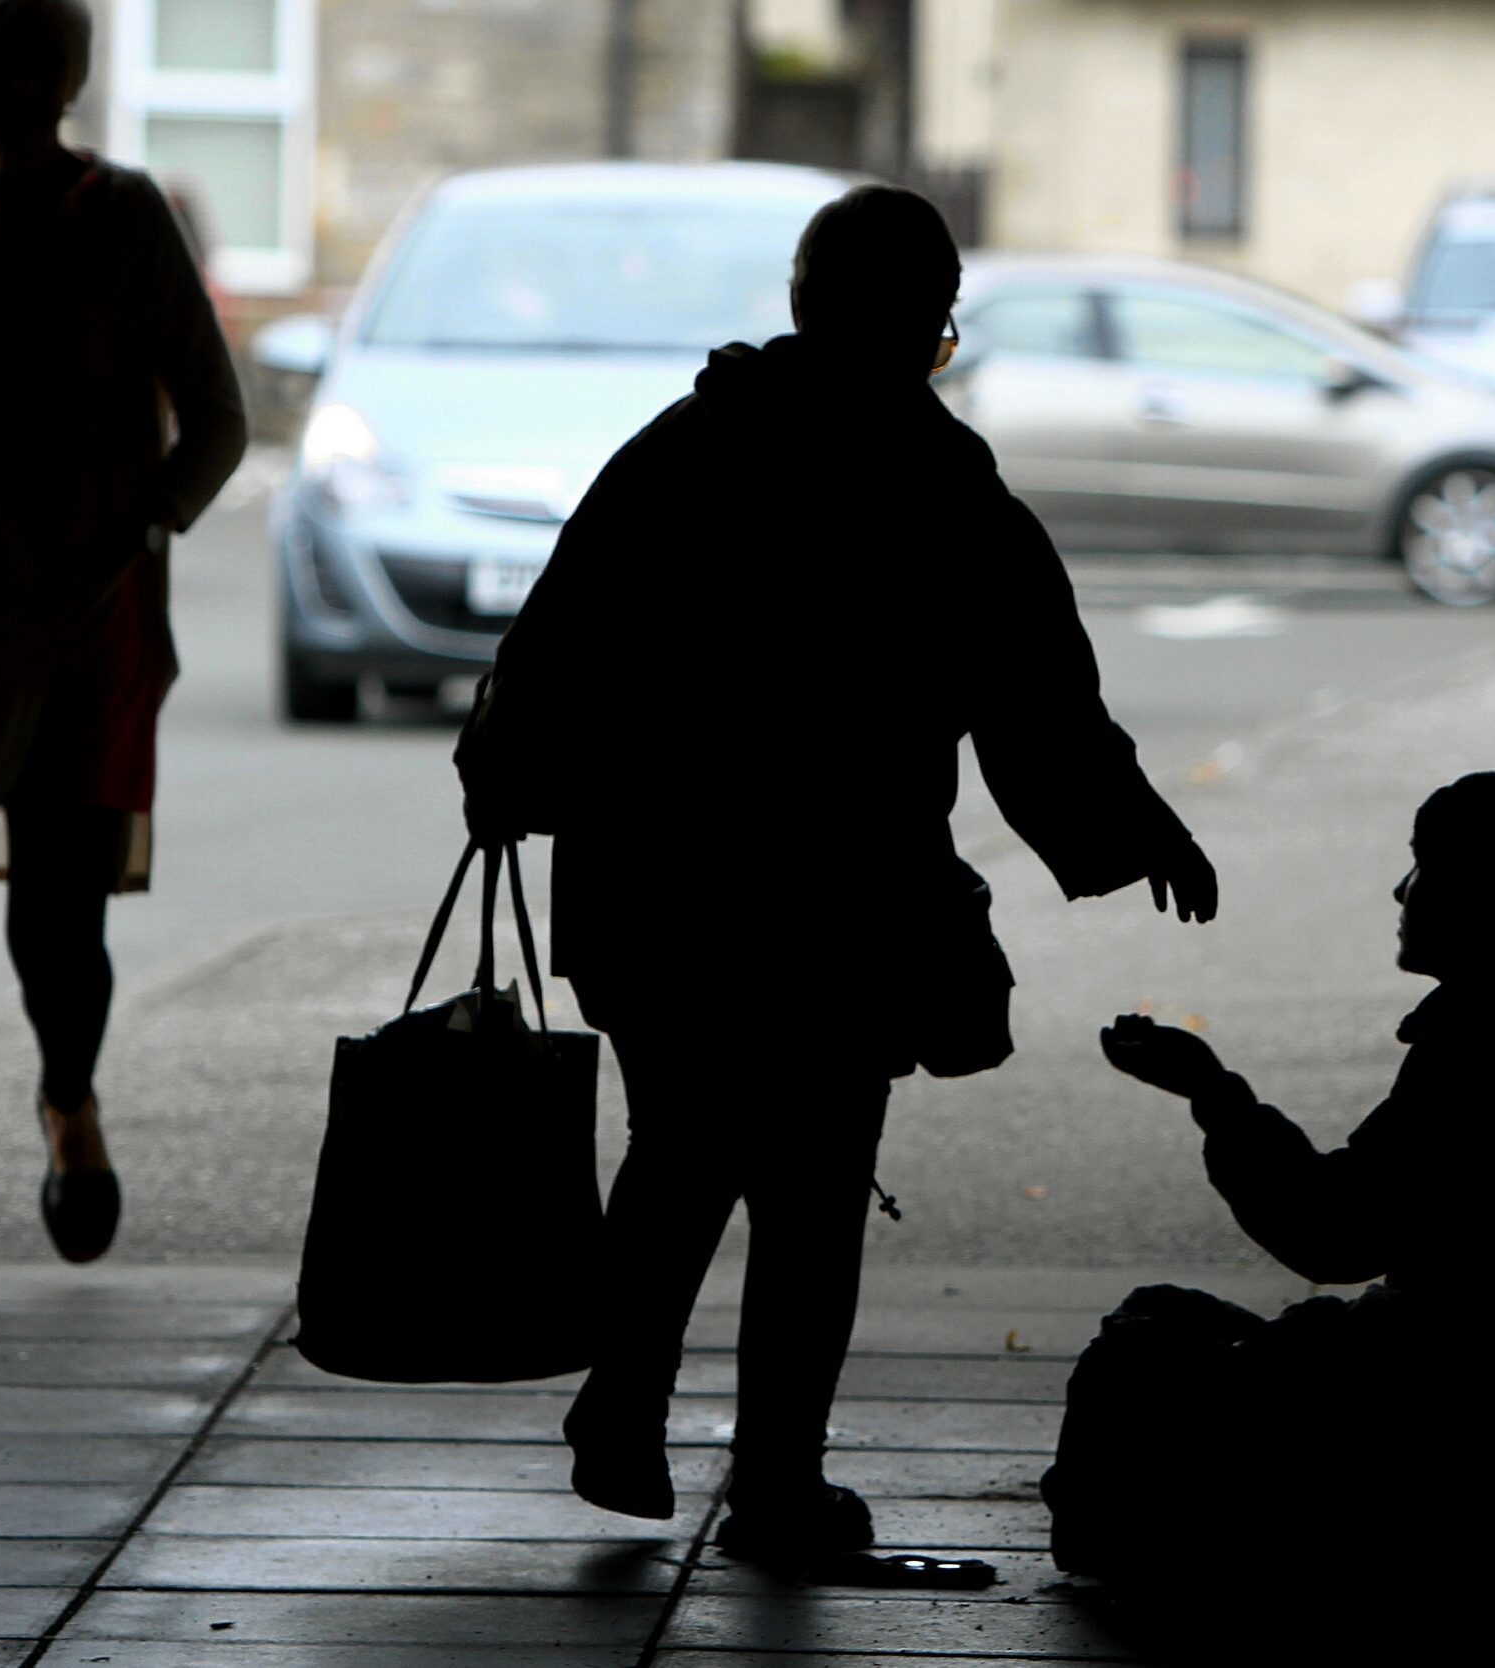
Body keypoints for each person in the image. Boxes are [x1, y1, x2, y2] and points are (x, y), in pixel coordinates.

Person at [455, 184, 1217, 1563]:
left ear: (801, 303)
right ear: (938, 326)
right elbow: (1037, 696)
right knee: (810, 1188)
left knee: (680, 1148)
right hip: (840, 899)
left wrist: (507, 780)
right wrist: (1133, 821)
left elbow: (553, 644)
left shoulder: (681, 452)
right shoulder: (942, 487)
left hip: (655, 881)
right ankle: (776, 1480)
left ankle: (623, 1410)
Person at [1044, 771, 1495, 1643]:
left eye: (1424, 867)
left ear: (1484, 895)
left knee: (1143, 1352)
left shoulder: (1492, 1045)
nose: (1401, 891)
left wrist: (1217, 1098)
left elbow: (1334, 1233)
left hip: (1453, 1441)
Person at [0, 0, 248, 1320]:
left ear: (64, 81)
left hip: (86, 627)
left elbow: (217, 424)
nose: (7, 88)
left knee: (58, 924)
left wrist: (128, 535)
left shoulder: (121, 221)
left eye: (31, 65)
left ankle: (69, 1095)